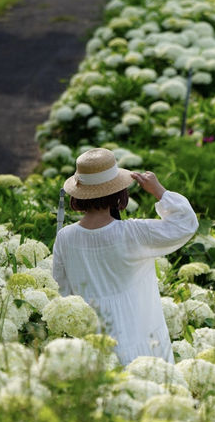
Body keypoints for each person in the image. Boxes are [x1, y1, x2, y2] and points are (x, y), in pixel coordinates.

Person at [51, 147, 199, 366]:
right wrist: (160, 191)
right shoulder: (133, 234)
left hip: (94, 343)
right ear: (119, 192)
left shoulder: (65, 237)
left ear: (78, 195)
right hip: (141, 337)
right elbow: (186, 224)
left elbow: (62, 289)